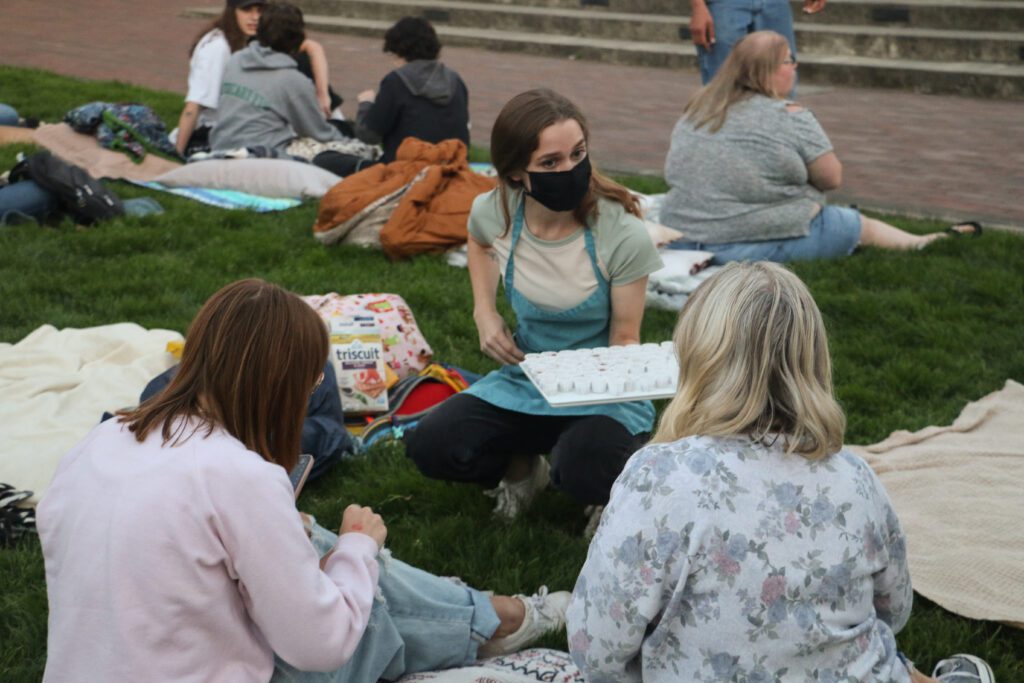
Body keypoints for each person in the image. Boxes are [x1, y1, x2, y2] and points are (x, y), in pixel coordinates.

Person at [36, 278, 570, 683]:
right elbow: (322, 644)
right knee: (360, 597)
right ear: (285, 383)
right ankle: (490, 620)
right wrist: (360, 548)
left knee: (314, 545)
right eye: (315, 378)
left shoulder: (99, 441)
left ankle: (486, 615)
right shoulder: (239, 475)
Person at [566, 261, 996, 683]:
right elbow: (893, 609)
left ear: (698, 356)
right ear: (813, 361)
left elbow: (596, 648)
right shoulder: (855, 477)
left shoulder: (656, 477)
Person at [405, 89, 663, 528]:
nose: (570, 169)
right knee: (432, 443)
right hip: (529, 375)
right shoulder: (499, 210)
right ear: (515, 173)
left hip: (604, 389)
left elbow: (624, 338)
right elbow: (479, 240)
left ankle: (608, 492)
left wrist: (590, 388)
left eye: (577, 154)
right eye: (550, 163)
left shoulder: (621, 234)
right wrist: (483, 312)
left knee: (584, 464)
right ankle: (523, 472)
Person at [661, 31, 981, 264]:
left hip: (682, 234)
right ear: (769, 71)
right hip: (745, 245)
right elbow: (831, 178)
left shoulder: (698, 109)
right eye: (789, 60)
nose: (795, 67)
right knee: (846, 223)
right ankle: (925, 242)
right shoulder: (790, 115)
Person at [210, 2, 373, 175]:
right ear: (298, 38)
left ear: (260, 31)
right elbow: (318, 131)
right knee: (356, 148)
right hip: (262, 152)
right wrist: (349, 142)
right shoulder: (293, 80)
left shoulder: (236, 60)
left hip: (220, 144)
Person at [174, 0, 343, 157]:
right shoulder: (217, 49)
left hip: (247, 129)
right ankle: (335, 124)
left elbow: (313, 47)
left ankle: (332, 118)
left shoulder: (249, 44)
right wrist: (177, 154)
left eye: (260, 10)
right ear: (232, 11)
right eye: (247, 10)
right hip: (225, 133)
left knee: (304, 63)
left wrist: (322, 93)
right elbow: (192, 108)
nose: (254, 17)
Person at [354, 17, 470, 163]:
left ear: (397, 50)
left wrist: (365, 104)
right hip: (453, 169)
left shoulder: (396, 81)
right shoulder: (455, 80)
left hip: (406, 171)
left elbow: (369, 135)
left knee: (330, 161)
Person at [689, 0, 825, 86]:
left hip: (775, 5)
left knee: (782, 79)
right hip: (724, 5)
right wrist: (698, 6)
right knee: (722, 84)